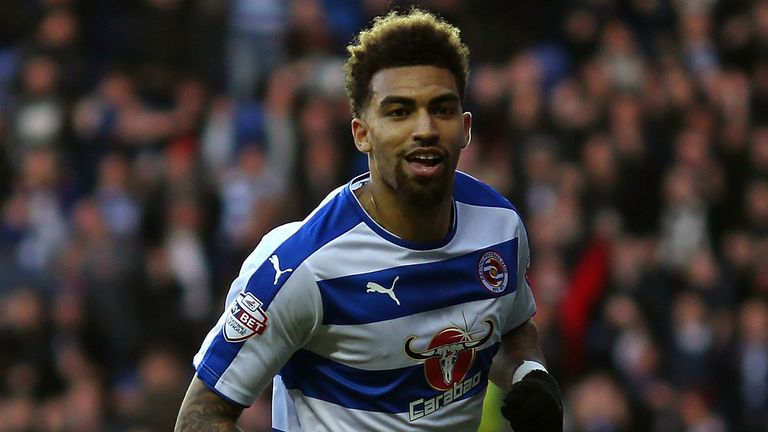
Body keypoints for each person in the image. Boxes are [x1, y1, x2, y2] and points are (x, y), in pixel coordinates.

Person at [175, 8, 563, 432]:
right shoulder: (301, 266)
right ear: (362, 133)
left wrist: (531, 375)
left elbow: (512, 330)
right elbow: (204, 414)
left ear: (465, 127)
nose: (425, 128)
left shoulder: (500, 228)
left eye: (442, 109)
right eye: (399, 111)